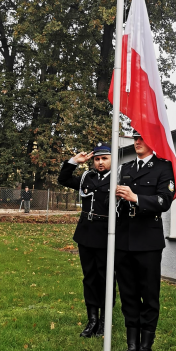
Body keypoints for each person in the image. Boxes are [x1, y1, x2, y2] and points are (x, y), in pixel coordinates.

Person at [110, 131, 175, 351]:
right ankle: (131, 348)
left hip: (147, 241)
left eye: (143, 138)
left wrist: (136, 197)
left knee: (148, 297)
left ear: (152, 142)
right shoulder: (125, 168)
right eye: (135, 138)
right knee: (128, 296)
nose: (137, 142)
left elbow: (165, 199)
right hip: (124, 239)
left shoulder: (163, 168)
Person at [58, 142, 115, 338]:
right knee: (89, 277)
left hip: (107, 235)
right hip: (86, 234)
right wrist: (74, 161)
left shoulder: (119, 178)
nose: (100, 162)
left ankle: (105, 322)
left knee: (106, 279)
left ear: (112, 159)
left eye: (104, 158)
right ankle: (92, 320)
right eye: (97, 159)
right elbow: (63, 179)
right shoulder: (86, 177)